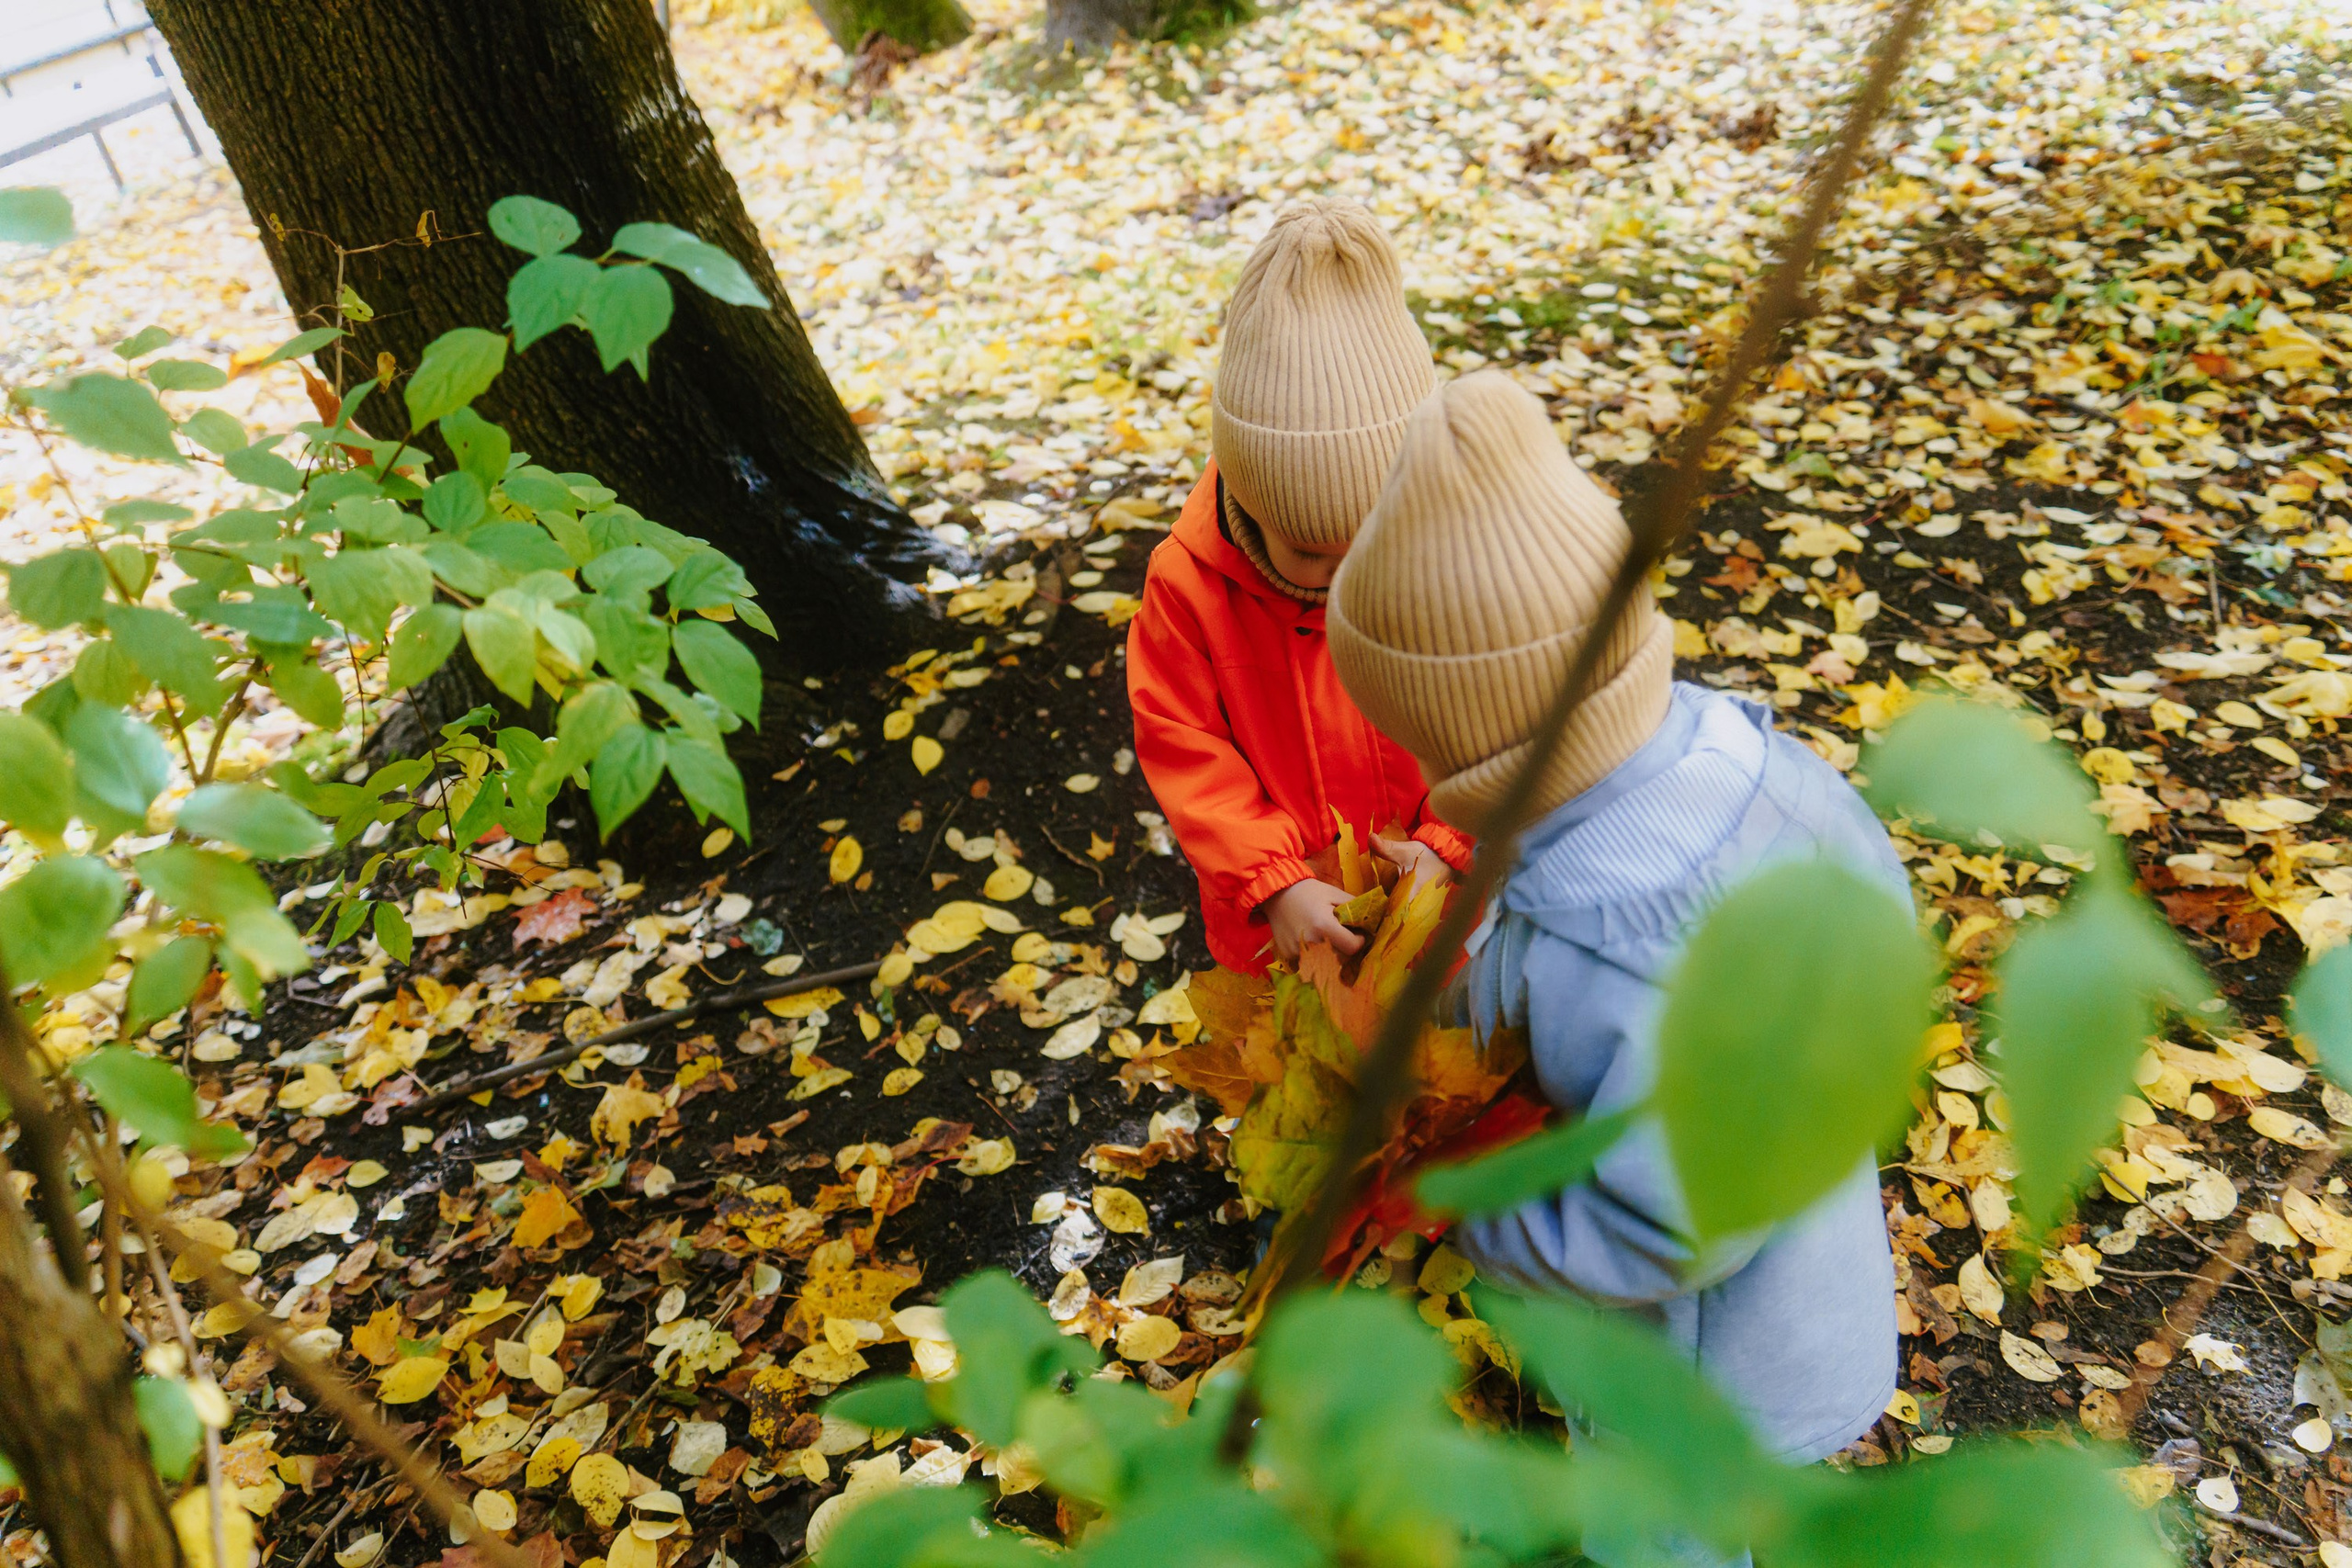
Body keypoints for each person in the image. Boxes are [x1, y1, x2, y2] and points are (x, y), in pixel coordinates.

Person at [1328, 370, 1901, 1555]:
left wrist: (1471, 1208)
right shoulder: (1756, 771)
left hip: (1702, 1358)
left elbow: (1667, 1227)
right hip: (1807, 1254)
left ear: (1472, 745)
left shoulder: (1627, 946)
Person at [1127, 198, 1472, 974]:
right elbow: (1184, 746)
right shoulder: (1187, 590)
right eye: (1315, 553)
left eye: (1373, 542)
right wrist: (1272, 881)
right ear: (1250, 496)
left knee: (1460, 1072)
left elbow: (1516, 712)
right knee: (1308, 1081)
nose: (1347, 575)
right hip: (1289, 934)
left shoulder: (1461, 556)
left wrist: (1450, 843)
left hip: (1447, 910)